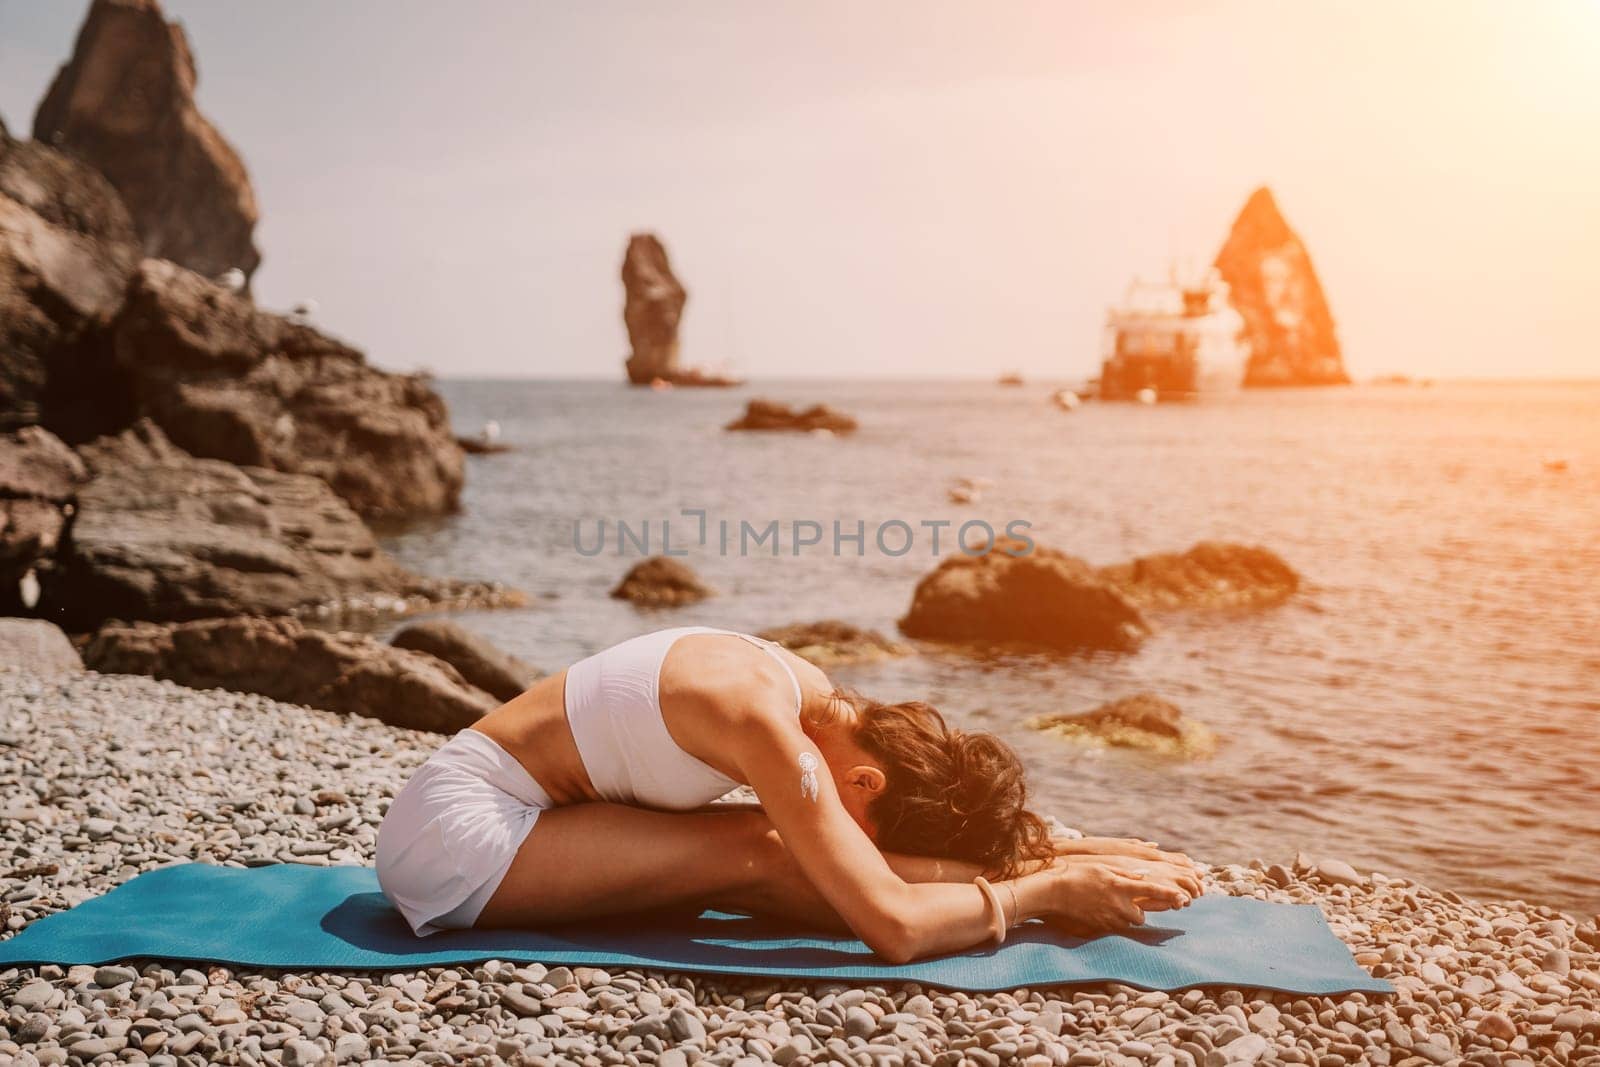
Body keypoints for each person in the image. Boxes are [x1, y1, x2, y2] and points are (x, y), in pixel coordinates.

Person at [376, 627, 1202, 961]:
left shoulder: (805, 690)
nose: (854, 837)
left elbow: (853, 856)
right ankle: (1039, 866)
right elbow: (893, 926)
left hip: (508, 810)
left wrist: (1054, 844)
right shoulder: (771, 726)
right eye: (867, 823)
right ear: (865, 780)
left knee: (772, 841)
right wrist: (1045, 891)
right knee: (756, 850)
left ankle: (1039, 850)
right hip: (456, 841)